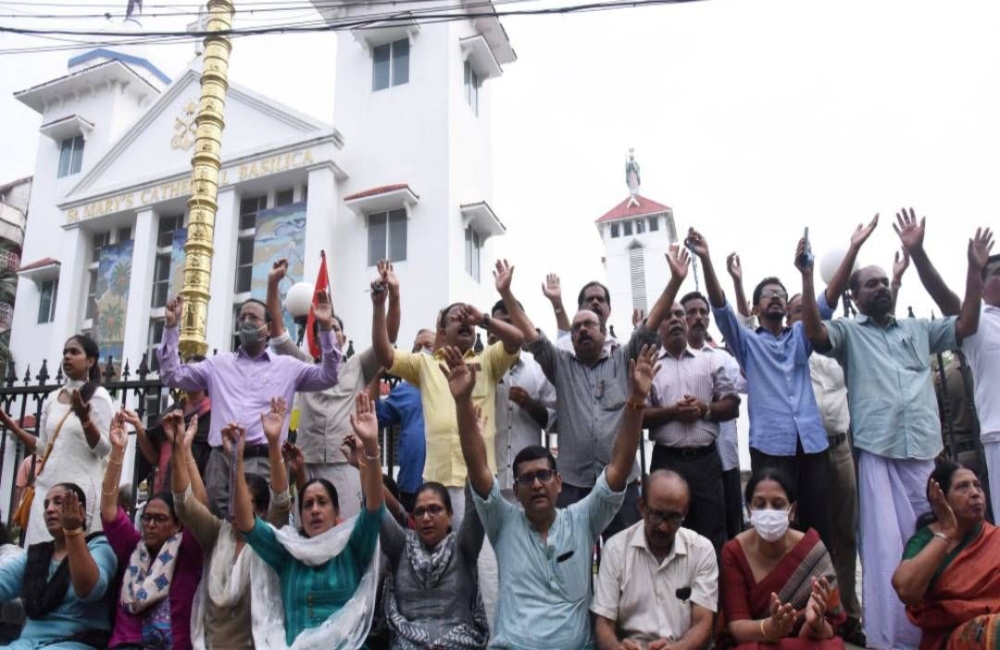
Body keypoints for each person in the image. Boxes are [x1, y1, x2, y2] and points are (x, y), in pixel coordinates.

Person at [799, 211, 992, 650]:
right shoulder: (848, 332)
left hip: (925, 453)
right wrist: (810, 278)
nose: (882, 288)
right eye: (871, 284)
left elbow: (966, 324)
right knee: (888, 551)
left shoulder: (918, 329)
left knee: (936, 540)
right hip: (878, 454)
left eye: (885, 282)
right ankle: (892, 641)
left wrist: (964, 269)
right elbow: (813, 332)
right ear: (855, 296)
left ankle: (938, 629)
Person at [446, 339, 659, 649]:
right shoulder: (502, 521)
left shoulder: (583, 518)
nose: (536, 484)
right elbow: (477, 466)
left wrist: (637, 400)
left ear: (559, 482)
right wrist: (464, 402)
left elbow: (619, 466)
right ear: (515, 491)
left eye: (544, 475)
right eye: (527, 479)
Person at [688, 220, 873, 550]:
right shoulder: (747, 343)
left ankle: (824, 598)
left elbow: (828, 298)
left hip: (812, 444)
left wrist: (848, 251)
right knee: (778, 528)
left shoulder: (801, 336)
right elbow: (721, 308)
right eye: (767, 295)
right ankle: (784, 598)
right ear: (756, 308)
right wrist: (705, 258)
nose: (775, 298)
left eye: (780, 295)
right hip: (771, 448)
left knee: (818, 526)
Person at [497, 250, 686, 539]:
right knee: (572, 561)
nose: (583, 330)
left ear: (603, 331)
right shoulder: (560, 365)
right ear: (571, 338)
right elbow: (532, 336)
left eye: (589, 325)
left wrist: (675, 280)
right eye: (576, 328)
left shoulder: (624, 360)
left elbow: (649, 325)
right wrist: (507, 293)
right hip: (573, 485)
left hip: (620, 481)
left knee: (625, 558)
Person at [158, 292, 342, 518]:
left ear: (267, 328)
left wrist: (324, 327)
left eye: (252, 318)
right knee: (222, 531)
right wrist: (171, 326)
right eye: (242, 317)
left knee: (264, 529)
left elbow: (329, 376)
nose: (245, 322)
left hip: (264, 462)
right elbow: (172, 375)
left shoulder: (288, 367)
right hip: (222, 462)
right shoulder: (218, 365)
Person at [233, 393, 385, 648]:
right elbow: (247, 524)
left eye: (322, 502)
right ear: (300, 516)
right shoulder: (288, 552)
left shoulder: (352, 546)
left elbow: (374, 508)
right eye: (308, 504)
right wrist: (238, 460)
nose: (315, 510)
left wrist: (371, 448)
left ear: (337, 513)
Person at [372, 270, 524, 526]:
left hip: (480, 480)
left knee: (484, 564)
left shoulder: (487, 360)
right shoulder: (425, 364)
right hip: (438, 482)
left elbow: (518, 338)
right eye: (457, 318)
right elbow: (384, 354)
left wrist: (484, 319)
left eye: (469, 320)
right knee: (444, 557)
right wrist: (380, 306)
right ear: (441, 331)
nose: (466, 322)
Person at [267, 258, 397, 519]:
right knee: (308, 530)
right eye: (325, 328)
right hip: (307, 461)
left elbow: (388, 339)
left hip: (344, 461)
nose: (331, 331)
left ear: (343, 337)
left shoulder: (359, 364)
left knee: (344, 531)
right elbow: (278, 334)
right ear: (317, 339)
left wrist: (390, 299)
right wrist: (272, 284)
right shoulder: (304, 365)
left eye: (336, 328)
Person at [169, 398, 293, 649]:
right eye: (234, 501)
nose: (236, 508)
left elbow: (281, 501)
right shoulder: (217, 534)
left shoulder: (268, 539)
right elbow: (184, 502)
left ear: (259, 509)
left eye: (244, 503)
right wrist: (177, 448)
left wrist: (273, 443)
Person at [786, 294, 863, 643]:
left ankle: (848, 611)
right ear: (789, 318)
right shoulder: (787, 350)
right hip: (805, 453)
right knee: (810, 538)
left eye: (812, 309)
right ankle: (810, 613)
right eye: (800, 310)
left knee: (845, 534)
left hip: (840, 448)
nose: (808, 316)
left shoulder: (838, 350)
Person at [911, 228, 1000, 517]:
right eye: (997, 272)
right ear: (983, 287)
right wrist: (917, 253)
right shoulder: (980, 323)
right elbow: (942, 295)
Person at [101, 412, 203, 650]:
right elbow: (108, 509)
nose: (151, 524)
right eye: (147, 518)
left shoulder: (188, 552)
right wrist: (117, 452)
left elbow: (199, 509)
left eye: (160, 519)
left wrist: (182, 449)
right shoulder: (133, 548)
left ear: (178, 525)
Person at [643, 302, 739, 553]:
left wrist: (704, 409)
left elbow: (732, 405)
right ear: (658, 327)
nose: (674, 319)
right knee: (664, 534)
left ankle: (711, 592)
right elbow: (639, 416)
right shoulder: (649, 366)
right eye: (667, 316)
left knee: (711, 537)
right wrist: (673, 412)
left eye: (678, 314)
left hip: (705, 462)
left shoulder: (709, 361)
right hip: (666, 461)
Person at [2, 335, 115, 546]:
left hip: (78, 493)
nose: (67, 357)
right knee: (38, 556)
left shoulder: (98, 396)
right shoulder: (53, 397)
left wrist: (85, 420)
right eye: (65, 352)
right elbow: (44, 448)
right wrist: (15, 429)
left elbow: (104, 449)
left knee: (71, 557)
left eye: (74, 352)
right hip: (47, 491)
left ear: (90, 361)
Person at [719, 468, 846, 650]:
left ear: (792, 510)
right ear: (749, 510)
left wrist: (815, 622)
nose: (768, 511)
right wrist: (771, 628)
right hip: (758, 642)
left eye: (777, 504)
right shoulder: (734, 552)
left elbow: (831, 629)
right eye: (760, 504)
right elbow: (737, 627)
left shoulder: (812, 549)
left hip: (803, 640)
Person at [591, 470, 717, 650]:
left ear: (685, 512)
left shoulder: (701, 550)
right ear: (641, 507)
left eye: (674, 517)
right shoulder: (615, 549)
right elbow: (604, 622)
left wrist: (678, 648)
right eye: (657, 515)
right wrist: (616, 648)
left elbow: (703, 624)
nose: (664, 527)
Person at [892, 460, 999, 650]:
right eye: (962, 487)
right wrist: (947, 532)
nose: (975, 493)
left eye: (977, 486)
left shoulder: (994, 537)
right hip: (952, 637)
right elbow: (906, 590)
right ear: (942, 498)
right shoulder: (926, 539)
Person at [0, 483, 117, 648]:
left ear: (80, 511)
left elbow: (90, 590)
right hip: (27, 644)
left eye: (58, 502)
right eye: (46, 504)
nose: (49, 509)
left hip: (76, 643)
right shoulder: (37, 556)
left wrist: (73, 530)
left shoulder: (100, 546)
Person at [380, 480, 488, 649]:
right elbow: (376, 509)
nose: (426, 517)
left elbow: (476, 502)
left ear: (450, 515)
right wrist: (366, 464)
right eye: (419, 511)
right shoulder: (401, 546)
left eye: (434, 509)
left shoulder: (464, 547)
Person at [681, 289, 747, 540]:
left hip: (725, 462)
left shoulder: (723, 358)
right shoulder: (668, 359)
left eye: (703, 312)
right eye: (691, 312)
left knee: (727, 536)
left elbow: (743, 386)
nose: (698, 317)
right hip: (688, 463)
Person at [488, 299, 557, 500]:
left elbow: (552, 422)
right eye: (498, 323)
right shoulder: (481, 368)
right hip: (490, 482)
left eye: (509, 322)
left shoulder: (537, 368)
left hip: (530, 482)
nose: (503, 329)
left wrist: (529, 404)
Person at [126, 360, 212, 494]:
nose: (188, 376)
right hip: (163, 492)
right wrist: (138, 427)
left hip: (195, 493)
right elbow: (154, 457)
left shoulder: (213, 414)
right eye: (185, 371)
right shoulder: (171, 412)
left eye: (194, 372)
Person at [375, 330, 433, 513]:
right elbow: (377, 416)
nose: (422, 350)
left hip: (445, 482)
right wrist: (375, 378)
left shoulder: (451, 381)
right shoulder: (405, 389)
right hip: (411, 483)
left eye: (429, 345)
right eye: (417, 346)